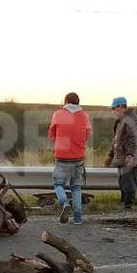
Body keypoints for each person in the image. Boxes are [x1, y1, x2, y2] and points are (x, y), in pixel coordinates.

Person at [48, 92, 91, 225]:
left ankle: (64, 203)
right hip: (78, 156)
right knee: (76, 187)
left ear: (66, 101)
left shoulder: (58, 114)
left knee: (58, 184)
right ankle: (78, 218)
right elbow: (88, 135)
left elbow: (52, 134)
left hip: (62, 156)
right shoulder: (84, 116)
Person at [104, 96, 137, 210]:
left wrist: (130, 155)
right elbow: (117, 141)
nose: (113, 111)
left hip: (130, 157)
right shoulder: (122, 121)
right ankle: (124, 203)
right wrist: (111, 155)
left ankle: (128, 206)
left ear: (121, 107)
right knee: (123, 181)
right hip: (123, 156)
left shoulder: (132, 120)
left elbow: (135, 139)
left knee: (128, 181)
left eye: (114, 108)